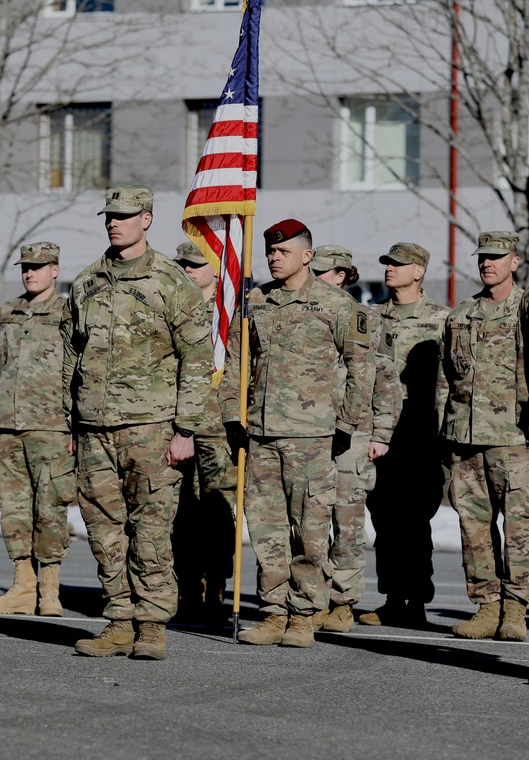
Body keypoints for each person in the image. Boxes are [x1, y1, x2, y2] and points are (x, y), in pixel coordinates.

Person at [62, 186, 213, 661]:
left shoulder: (171, 281)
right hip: (93, 428)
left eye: (126, 216)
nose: (115, 223)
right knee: (103, 529)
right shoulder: (87, 282)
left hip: (152, 428)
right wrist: (70, 422)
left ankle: (151, 624)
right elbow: (71, 356)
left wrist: (186, 429)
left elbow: (197, 358)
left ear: (147, 219)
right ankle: (118, 619)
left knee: (150, 529)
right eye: (110, 215)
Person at [220, 220, 373, 649]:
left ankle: (304, 615)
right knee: (266, 529)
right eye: (270, 251)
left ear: (307, 256)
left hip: (313, 435)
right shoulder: (255, 302)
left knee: (308, 528)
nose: (273, 257)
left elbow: (362, 367)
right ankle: (272, 612)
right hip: (262, 433)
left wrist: (348, 422)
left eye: (283, 251)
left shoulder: (339, 305)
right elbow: (236, 361)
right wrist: (233, 415)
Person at [309, 246, 401, 633]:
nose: (318, 279)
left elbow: (385, 378)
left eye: (326, 273)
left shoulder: (368, 319)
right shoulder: (304, 314)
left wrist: (381, 433)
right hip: (309, 432)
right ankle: (312, 597)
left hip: (355, 434)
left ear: (344, 276)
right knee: (310, 521)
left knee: (347, 521)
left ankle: (343, 601)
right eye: (315, 272)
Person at [0, 242, 75, 617]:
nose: (30, 272)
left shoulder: (70, 313)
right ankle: (23, 585)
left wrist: (75, 426)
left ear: (55, 269)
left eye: (38, 266)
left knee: (50, 508)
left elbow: (82, 370)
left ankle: (50, 590)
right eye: (26, 266)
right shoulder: (8, 313)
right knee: (14, 508)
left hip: (52, 426)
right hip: (9, 426)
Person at [360, 242, 449, 628]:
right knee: (384, 515)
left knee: (416, 515)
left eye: (399, 264)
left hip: (420, 425)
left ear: (419, 272)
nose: (390, 269)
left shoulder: (443, 319)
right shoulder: (371, 317)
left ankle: (418, 600)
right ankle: (393, 597)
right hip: (378, 425)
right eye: (388, 264)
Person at [447, 232, 529, 640]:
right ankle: (487, 605)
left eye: (497, 257)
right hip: (466, 436)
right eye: (483, 257)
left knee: (519, 526)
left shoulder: (524, 310)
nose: (488, 263)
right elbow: (448, 378)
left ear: (514, 261)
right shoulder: (460, 315)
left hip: (514, 437)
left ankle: (516, 608)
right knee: (473, 525)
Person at [171, 241, 237, 623]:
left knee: (216, 512)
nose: (187, 270)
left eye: (196, 264)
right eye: (183, 264)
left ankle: (216, 586)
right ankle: (186, 587)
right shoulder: (176, 310)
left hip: (216, 428)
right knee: (180, 513)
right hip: (177, 426)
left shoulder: (230, 316)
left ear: (217, 270)